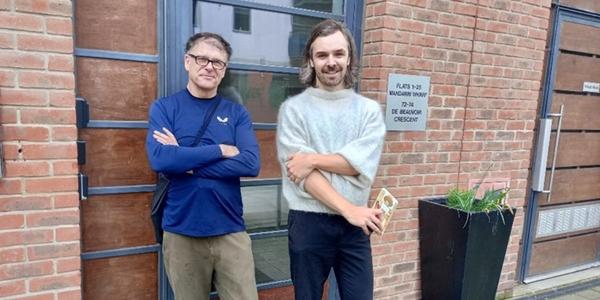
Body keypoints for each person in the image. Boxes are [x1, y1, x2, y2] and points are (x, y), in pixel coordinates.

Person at [276, 19, 386, 300]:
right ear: (311, 61)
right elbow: (302, 175)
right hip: (309, 222)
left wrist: (312, 158)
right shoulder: (294, 111)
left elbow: (358, 164)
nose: (331, 62)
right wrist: (348, 208)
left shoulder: (368, 112)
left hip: (354, 227)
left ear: (349, 58)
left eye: (338, 53)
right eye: (322, 55)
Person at [145, 32, 260, 300]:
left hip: (230, 230)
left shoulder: (236, 114)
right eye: (202, 58)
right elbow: (161, 160)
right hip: (181, 232)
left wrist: (186, 160)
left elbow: (251, 163)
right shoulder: (165, 108)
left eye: (217, 62)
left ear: (224, 70)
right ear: (187, 61)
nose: (209, 66)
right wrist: (219, 150)